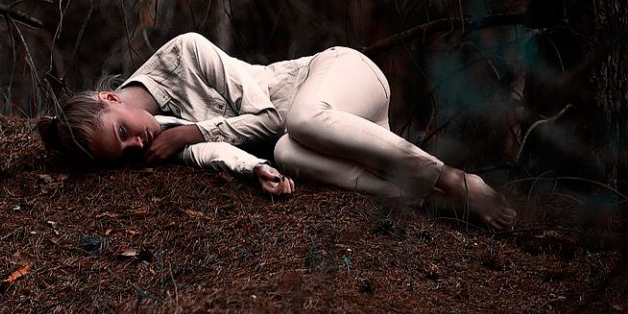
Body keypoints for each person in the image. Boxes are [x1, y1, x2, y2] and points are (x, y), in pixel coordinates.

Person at [36, 32, 517, 230]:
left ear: (112, 97)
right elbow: (219, 155)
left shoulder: (184, 54)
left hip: (338, 75)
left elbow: (268, 117)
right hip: (329, 133)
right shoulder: (158, 141)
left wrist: (193, 131)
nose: (136, 145)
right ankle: (430, 199)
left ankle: (451, 178)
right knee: (287, 153)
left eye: (123, 133)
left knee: (297, 123)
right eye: (123, 152)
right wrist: (256, 169)